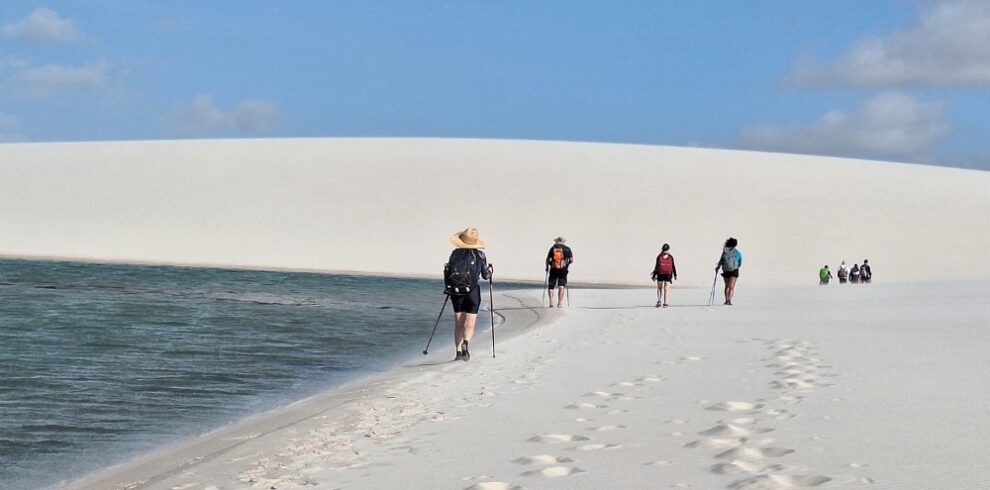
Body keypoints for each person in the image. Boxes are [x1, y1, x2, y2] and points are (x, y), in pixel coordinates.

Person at [447, 227, 492, 361]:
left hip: (456, 292)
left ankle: (458, 352)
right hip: (473, 292)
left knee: (459, 324)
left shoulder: (455, 253)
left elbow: (449, 271)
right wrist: (490, 271)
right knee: (470, 324)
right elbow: (485, 276)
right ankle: (466, 342)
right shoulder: (480, 255)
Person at [545, 237, 574, 308]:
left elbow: (548, 259)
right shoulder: (567, 249)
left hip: (553, 268)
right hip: (563, 269)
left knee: (551, 286)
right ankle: (560, 303)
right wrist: (566, 265)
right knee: (561, 286)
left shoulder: (552, 248)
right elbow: (571, 260)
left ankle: (551, 302)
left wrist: (547, 267)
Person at [715, 237, 742, 305]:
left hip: (726, 270)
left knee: (727, 286)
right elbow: (740, 262)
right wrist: (736, 266)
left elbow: (721, 260)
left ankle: (726, 300)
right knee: (731, 286)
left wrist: (718, 267)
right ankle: (729, 300)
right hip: (734, 270)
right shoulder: (737, 253)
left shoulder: (725, 252)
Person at [652, 243, 677, 307]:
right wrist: (675, 274)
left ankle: (661, 301)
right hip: (667, 273)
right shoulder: (669, 257)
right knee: (665, 288)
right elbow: (673, 266)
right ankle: (663, 302)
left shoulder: (660, 256)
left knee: (661, 288)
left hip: (662, 273)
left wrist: (654, 275)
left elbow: (656, 266)